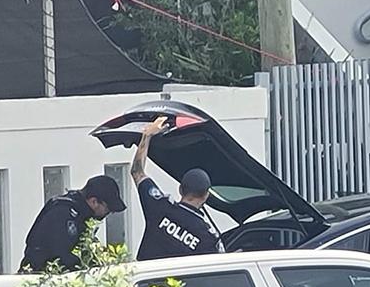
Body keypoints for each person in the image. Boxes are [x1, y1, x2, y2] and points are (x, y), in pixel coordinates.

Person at [131, 117, 224, 261]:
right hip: (179, 284)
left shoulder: (159, 206)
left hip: (143, 281)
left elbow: (137, 172)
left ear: (180, 189)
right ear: (206, 196)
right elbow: (219, 266)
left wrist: (147, 135)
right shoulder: (208, 236)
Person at [20, 175, 127, 272]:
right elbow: (62, 256)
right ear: (94, 201)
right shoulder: (64, 213)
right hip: (40, 278)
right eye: (108, 209)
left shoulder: (81, 214)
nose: (108, 213)